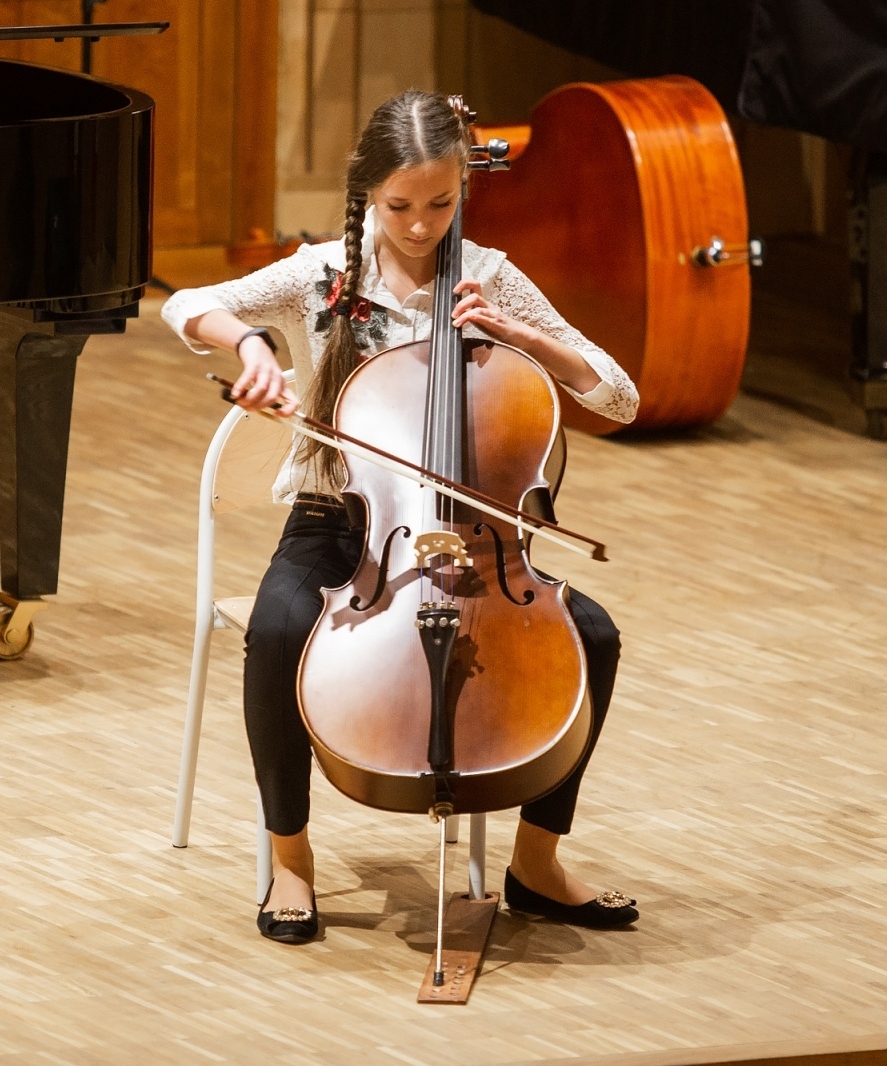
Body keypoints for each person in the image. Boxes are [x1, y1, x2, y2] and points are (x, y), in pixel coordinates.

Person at [161, 90, 641, 944]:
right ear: (365, 195)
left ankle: (537, 860)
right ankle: (291, 860)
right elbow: (184, 303)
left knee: (593, 636)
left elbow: (619, 394)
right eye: (399, 207)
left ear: (465, 189)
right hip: (340, 524)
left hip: (472, 536)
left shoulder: (490, 276)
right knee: (274, 632)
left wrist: (529, 342)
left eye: (442, 204)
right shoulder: (321, 276)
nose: (421, 227)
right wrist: (252, 344)